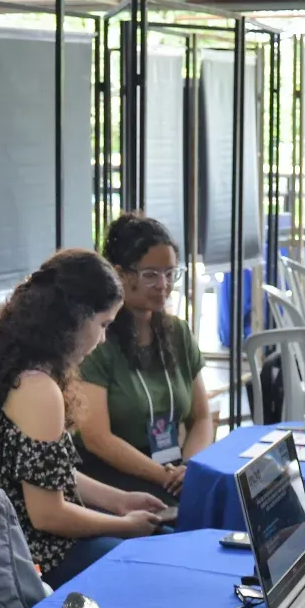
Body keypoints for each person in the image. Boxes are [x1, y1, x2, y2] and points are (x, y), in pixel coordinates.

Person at [0, 249, 168, 588]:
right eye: (102, 325)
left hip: (7, 540)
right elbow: (47, 515)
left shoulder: (4, 358)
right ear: (74, 318)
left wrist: (119, 500)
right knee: (159, 565)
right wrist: (123, 524)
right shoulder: (38, 389)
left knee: (161, 541)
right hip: (33, 558)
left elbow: (43, 472)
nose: (101, 339)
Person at [73, 214, 212, 504]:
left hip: (173, 473)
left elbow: (201, 417)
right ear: (119, 274)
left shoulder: (177, 333)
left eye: (171, 273)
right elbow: (97, 438)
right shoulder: (98, 340)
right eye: (150, 275)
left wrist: (189, 469)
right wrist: (164, 477)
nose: (164, 285)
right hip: (113, 480)